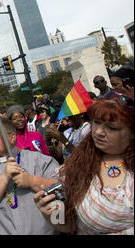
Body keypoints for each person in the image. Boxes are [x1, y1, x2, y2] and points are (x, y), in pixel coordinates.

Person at [34, 95, 134, 234]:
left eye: (111, 127)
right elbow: (72, 227)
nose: (99, 132)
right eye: (97, 123)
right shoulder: (80, 164)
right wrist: (49, 214)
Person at [0, 118, 60, 235]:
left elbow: (62, 192)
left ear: (12, 137)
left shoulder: (40, 160)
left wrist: (32, 181)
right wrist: (4, 177)